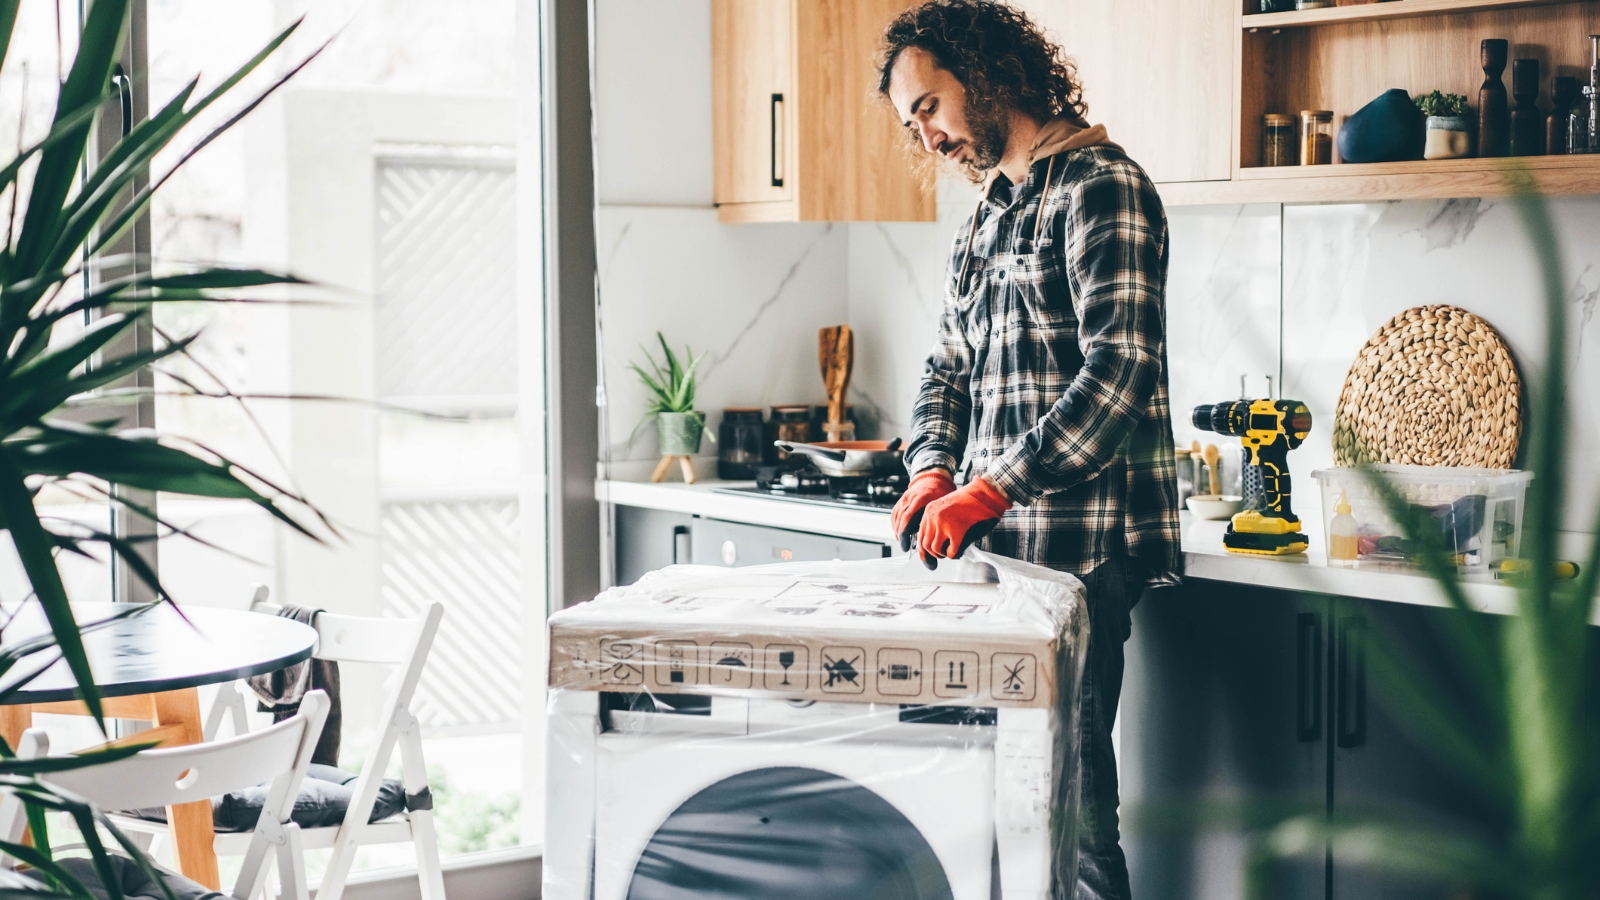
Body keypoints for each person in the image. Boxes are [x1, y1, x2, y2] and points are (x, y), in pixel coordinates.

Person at [878, 3, 1181, 899]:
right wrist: (933, 465)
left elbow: (1119, 374)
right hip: (998, 568)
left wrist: (992, 488)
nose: (927, 134)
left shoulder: (1101, 186)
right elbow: (946, 369)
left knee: (1075, 819)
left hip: (1079, 562)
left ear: (986, 70)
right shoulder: (988, 217)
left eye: (930, 106)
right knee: (1004, 819)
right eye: (912, 123)